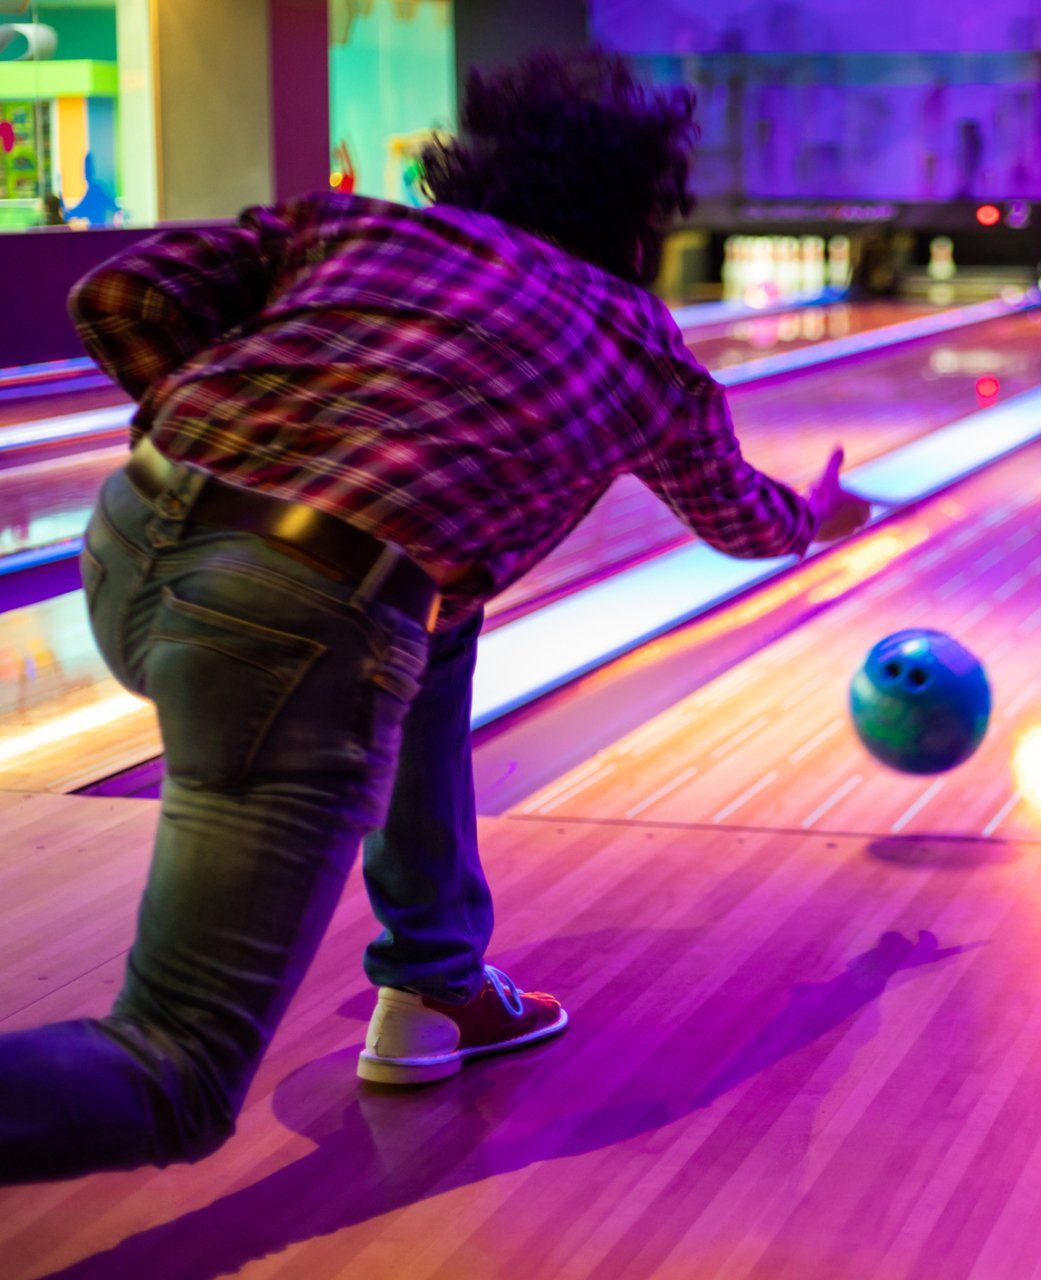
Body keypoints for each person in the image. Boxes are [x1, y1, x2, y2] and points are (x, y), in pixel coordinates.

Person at [0, 50, 871, 1183]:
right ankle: (433, 971)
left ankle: (436, 978)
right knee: (175, 1070)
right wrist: (819, 511)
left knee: (435, 617)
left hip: (130, 542)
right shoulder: (637, 342)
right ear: (638, 218)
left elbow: (115, 294)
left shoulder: (349, 227)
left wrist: (220, 430)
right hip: (288, 625)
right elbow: (740, 518)